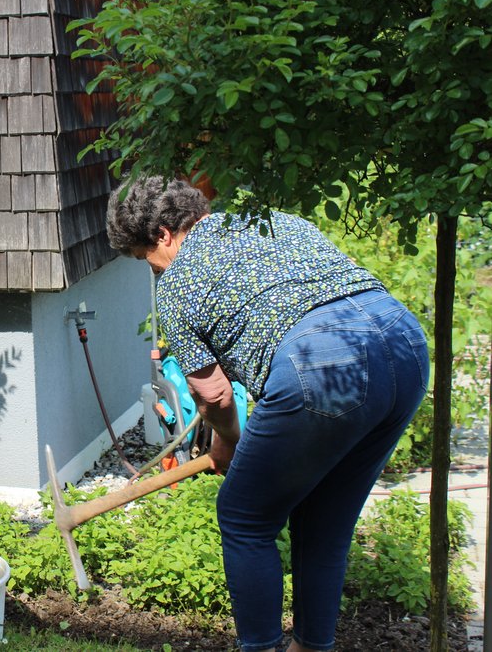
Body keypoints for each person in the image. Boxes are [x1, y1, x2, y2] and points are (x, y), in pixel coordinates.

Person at [106, 177, 429, 652]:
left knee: (243, 516)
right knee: (325, 520)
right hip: (403, 342)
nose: (150, 269)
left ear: (162, 235)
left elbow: (213, 396)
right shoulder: (273, 220)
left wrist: (230, 440)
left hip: (324, 364)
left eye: (143, 258)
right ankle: (311, 647)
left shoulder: (176, 283)